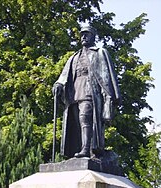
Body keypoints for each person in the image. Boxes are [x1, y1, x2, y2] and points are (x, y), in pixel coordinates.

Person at [52, 25, 121, 158]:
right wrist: (58, 85)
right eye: (82, 34)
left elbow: (106, 75)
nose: (83, 37)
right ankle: (81, 148)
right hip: (74, 93)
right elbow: (63, 76)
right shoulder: (74, 57)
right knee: (78, 122)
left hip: (90, 91)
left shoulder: (99, 52)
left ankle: (86, 149)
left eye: (87, 34)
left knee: (85, 118)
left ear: (93, 36)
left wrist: (108, 96)